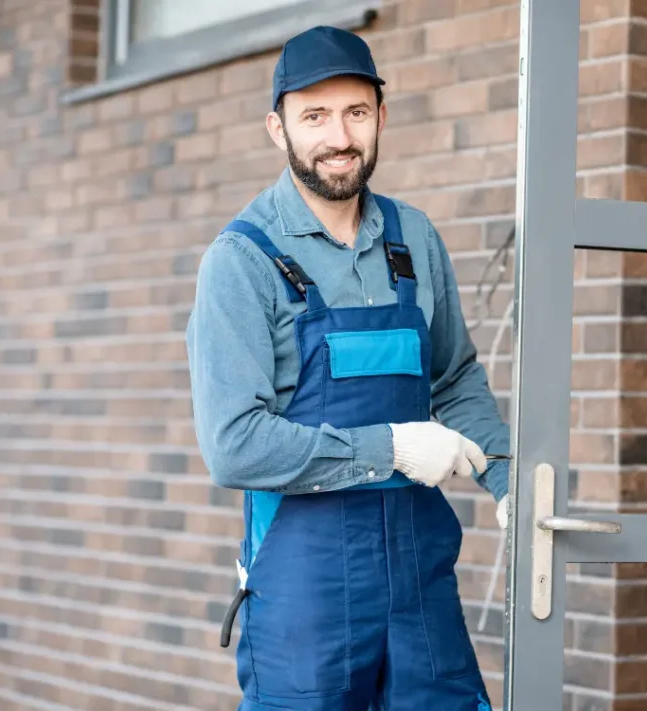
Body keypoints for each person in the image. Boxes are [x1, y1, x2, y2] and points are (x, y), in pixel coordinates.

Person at [185, 24, 510, 711]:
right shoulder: (243, 260)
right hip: (307, 606)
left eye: (356, 112)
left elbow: (452, 378)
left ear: (381, 118)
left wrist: (510, 482)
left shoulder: (413, 237)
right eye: (316, 116)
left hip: (420, 588)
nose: (339, 135)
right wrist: (391, 447)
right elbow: (234, 443)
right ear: (278, 129)